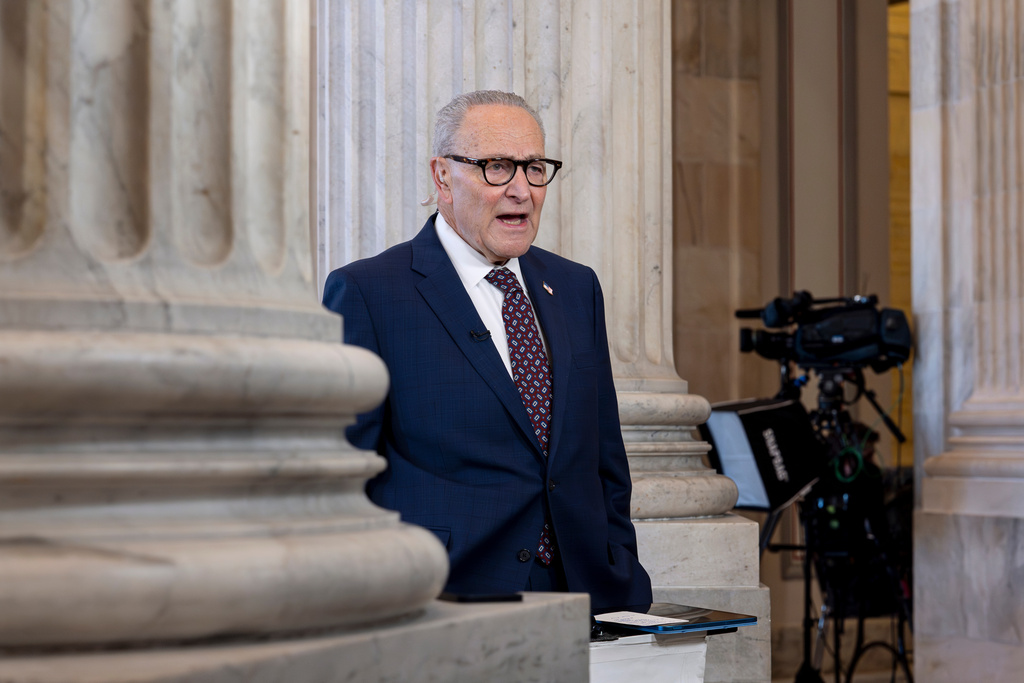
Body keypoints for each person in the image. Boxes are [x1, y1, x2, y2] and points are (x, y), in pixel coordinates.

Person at [322, 90, 652, 611]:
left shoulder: (574, 286)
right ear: (442, 176)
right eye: (497, 167)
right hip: (444, 599)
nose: (521, 189)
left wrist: (621, 567)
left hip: (586, 595)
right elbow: (340, 472)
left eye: (535, 168)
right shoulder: (369, 292)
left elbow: (604, 456)